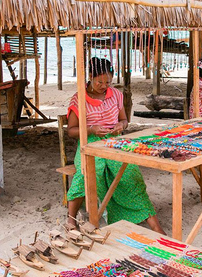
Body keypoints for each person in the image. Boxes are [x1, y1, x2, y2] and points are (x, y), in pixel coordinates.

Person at [66, 58, 165, 235]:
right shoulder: (79, 98)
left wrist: (121, 126)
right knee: (89, 173)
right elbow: (71, 130)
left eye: (108, 82)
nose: (104, 86)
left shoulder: (116, 95)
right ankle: (70, 219)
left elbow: (124, 120)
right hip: (89, 145)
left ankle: (154, 224)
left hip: (115, 143)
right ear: (90, 77)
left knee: (130, 173)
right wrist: (91, 129)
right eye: (100, 82)